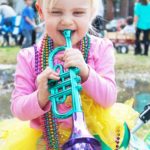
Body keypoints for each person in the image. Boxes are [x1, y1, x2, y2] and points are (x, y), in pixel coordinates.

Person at [0, 0, 138, 149]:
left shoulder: (101, 48)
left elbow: (108, 98)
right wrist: (40, 95)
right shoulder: (28, 57)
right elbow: (18, 110)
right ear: (41, 12)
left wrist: (86, 73)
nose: (66, 21)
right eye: (56, 12)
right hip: (45, 143)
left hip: (93, 139)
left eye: (78, 12)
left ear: (91, 14)